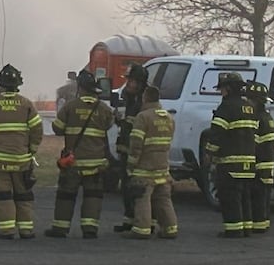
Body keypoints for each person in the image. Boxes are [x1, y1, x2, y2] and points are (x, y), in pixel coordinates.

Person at [0, 64, 45, 240]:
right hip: (21, 160)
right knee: (23, 194)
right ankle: (26, 230)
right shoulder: (26, 104)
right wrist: (32, 149)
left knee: (2, 194)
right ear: (17, 85)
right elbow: (37, 129)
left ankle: (6, 231)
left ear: (1, 85)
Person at [45, 70, 115, 239]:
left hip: (73, 163)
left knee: (66, 196)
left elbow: (57, 129)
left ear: (80, 88)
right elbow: (109, 125)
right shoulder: (104, 109)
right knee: (93, 196)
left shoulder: (70, 106)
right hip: (96, 163)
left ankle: (60, 229)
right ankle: (90, 229)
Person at [203, 71, 259, 238]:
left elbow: (217, 134)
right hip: (249, 161)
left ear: (228, 88)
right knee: (245, 197)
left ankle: (233, 230)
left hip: (230, 162)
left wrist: (209, 153)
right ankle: (247, 228)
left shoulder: (226, 107)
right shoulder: (250, 107)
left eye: (222, 89)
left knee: (229, 197)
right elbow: (255, 133)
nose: (221, 92)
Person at [122, 86, 178, 240]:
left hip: (145, 168)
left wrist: (131, 164)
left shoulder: (143, 117)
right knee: (163, 199)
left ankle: (141, 229)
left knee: (142, 197)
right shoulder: (168, 117)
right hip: (163, 167)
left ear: (145, 98)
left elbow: (136, 143)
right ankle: (170, 228)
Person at [113, 63, 149, 233]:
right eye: (127, 80)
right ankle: (129, 219)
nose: (128, 84)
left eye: (131, 81)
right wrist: (118, 118)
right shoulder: (128, 98)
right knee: (127, 186)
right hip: (126, 149)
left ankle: (143, 221)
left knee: (139, 188)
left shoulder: (144, 102)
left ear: (140, 83)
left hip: (139, 151)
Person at [245, 80, 274, 234]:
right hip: (267, 165)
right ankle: (262, 225)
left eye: (249, 99)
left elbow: (254, 143)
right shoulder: (267, 117)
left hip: (259, 164)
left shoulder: (257, 119)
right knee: (263, 198)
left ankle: (258, 226)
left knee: (257, 197)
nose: (247, 103)